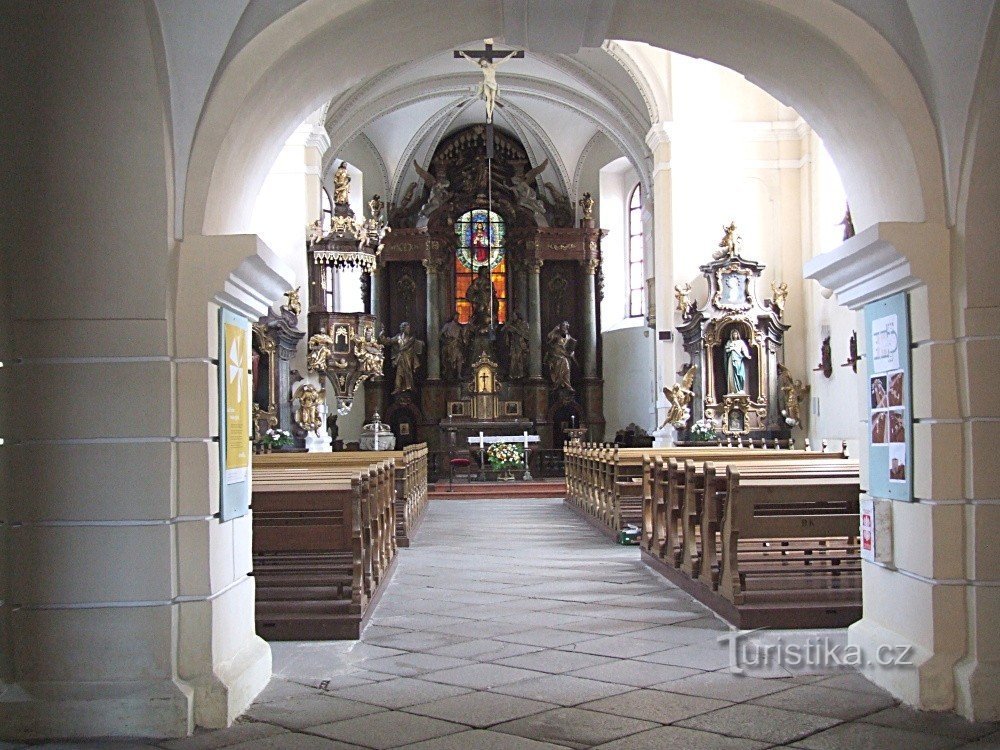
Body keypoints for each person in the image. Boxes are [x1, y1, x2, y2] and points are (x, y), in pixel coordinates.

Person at [457, 47, 520, 123]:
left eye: (484, 62)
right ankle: (489, 116)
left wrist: (512, 54)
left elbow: (503, 60)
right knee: (488, 98)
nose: (483, 64)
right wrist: (463, 54)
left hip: (493, 84)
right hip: (486, 83)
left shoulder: (493, 66)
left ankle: (490, 113)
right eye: (482, 64)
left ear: (486, 61)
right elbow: (471, 61)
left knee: (493, 99)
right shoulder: (483, 68)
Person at [380, 322, 424, 394]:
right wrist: (382, 333)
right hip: (400, 357)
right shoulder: (398, 337)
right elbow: (388, 341)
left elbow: (418, 343)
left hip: (408, 358)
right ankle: (398, 388)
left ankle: (410, 387)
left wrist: (421, 343)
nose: (408, 330)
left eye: (409, 328)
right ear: (403, 329)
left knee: (408, 372)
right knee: (399, 373)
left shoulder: (411, 338)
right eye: (407, 328)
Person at [545, 321, 577, 391]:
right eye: (562, 325)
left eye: (565, 326)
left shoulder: (568, 336)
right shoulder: (556, 335)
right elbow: (549, 338)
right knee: (563, 363)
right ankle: (558, 384)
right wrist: (554, 330)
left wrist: (572, 352)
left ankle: (566, 384)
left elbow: (571, 346)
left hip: (565, 355)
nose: (563, 327)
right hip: (555, 356)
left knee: (566, 366)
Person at [465, 266, 497, 332]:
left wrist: (492, 292)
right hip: (480, 300)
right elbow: (471, 290)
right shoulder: (477, 281)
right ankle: (479, 328)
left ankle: (489, 327)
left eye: (486, 271)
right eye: (485, 271)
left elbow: (492, 290)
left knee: (491, 311)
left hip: (489, 300)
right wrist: (474, 298)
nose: (486, 273)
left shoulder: (489, 281)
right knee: (480, 312)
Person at [440, 315, 467, 381]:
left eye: (458, 317)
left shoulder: (459, 327)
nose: (457, 318)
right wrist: (445, 340)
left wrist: (462, 341)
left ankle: (459, 374)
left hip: (457, 345)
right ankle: (449, 374)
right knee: (450, 360)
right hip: (449, 345)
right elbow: (440, 334)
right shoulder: (447, 325)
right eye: (456, 317)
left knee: (459, 358)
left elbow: (462, 336)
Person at [504, 311, 529, 380]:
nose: (513, 317)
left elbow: (527, 335)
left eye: (514, 316)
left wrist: (516, 330)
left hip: (521, 344)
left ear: (518, 316)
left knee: (520, 359)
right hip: (514, 343)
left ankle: (521, 374)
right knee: (513, 359)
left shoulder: (524, 324)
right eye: (512, 316)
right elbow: (506, 331)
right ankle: (513, 375)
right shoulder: (512, 324)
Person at [725, 328, 751, 394]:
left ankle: (740, 389)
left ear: (738, 335)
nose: (735, 335)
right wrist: (731, 349)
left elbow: (744, 349)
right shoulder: (729, 342)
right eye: (733, 334)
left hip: (738, 359)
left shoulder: (740, 342)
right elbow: (726, 350)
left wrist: (747, 355)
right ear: (732, 335)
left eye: (736, 334)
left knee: (739, 374)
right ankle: (732, 390)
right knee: (731, 374)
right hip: (731, 359)